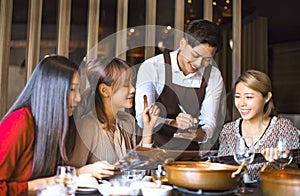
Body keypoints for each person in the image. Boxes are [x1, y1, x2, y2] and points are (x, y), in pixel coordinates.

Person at [135, 19, 226, 150]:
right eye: (195, 55)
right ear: (183, 43)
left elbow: (209, 123)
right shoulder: (153, 67)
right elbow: (142, 118)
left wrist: (198, 134)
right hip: (153, 150)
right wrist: (173, 123)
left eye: (207, 59)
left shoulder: (213, 75)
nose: (198, 64)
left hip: (189, 155)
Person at [0, 55, 81, 195]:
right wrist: (42, 184)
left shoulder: (53, 125)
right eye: (73, 90)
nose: (79, 98)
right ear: (53, 90)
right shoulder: (19, 122)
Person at [68, 57, 160, 179]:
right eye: (126, 84)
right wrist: (88, 172)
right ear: (105, 90)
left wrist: (148, 129)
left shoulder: (128, 121)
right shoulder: (88, 125)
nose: (133, 89)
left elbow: (140, 172)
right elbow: (70, 174)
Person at [218, 69, 300, 180]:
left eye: (249, 97)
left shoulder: (283, 127)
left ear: (267, 97)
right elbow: (221, 170)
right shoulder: (228, 130)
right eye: (237, 97)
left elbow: (295, 171)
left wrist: (281, 163)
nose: (242, 104)